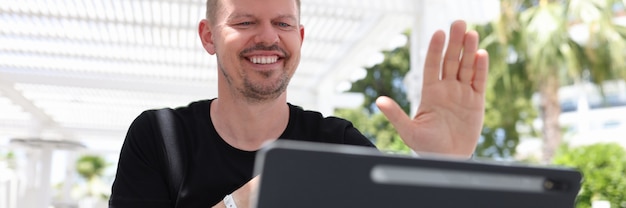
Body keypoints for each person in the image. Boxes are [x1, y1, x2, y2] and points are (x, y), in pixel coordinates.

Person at [109, 0, 489, 207]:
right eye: (244, 22)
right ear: (208, 36)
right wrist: (242, 203)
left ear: (301, 37)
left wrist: (448, 167)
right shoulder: (157, 137)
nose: (268, 37)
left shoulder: (336, 143)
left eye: (284, 24)